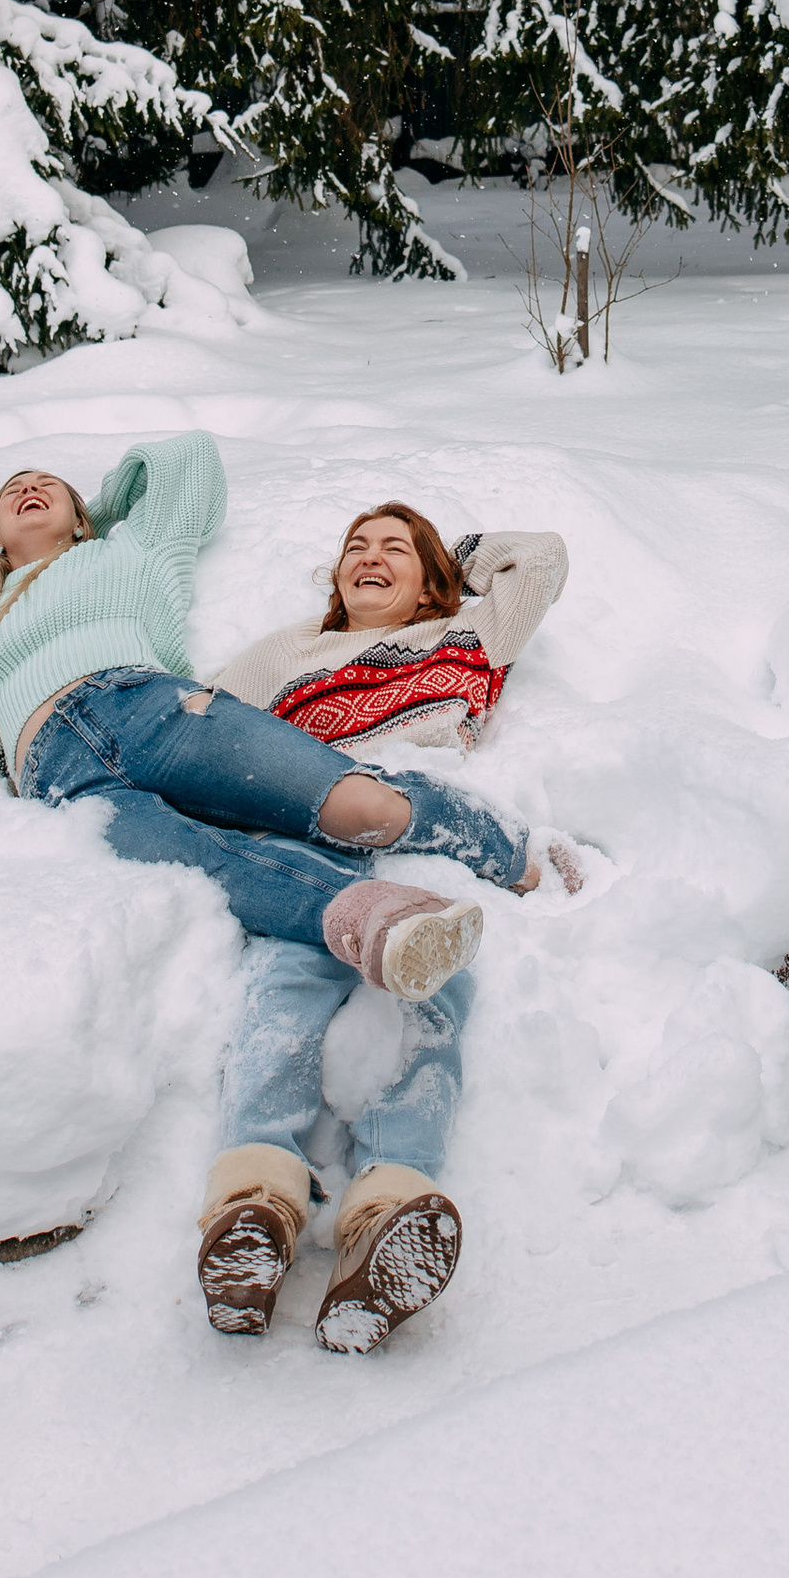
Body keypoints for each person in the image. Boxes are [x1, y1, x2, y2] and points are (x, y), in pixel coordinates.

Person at [0, 438, 546, 1023]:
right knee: (207, 866)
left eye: (48, 482)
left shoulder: (128, 550)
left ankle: (509, 848)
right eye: (12, 491)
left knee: (357, 804)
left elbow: (188, 460)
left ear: (80, 518)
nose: (29, 487)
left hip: (149, 709)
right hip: (64, 779)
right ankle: (379, 923)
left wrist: (93, 515)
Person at [195, 507, 571, 1353]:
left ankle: (389, 1205)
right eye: (355, 549)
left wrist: (459, 558)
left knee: (430, 987)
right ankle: (255, 1199)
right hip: (308, 824)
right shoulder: (288, 653)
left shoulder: (470, 634)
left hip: (423, 821)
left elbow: (542, 561)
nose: (367, 558)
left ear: (432, 575)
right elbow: (202, 720)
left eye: (393, 549)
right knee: (283, 991)